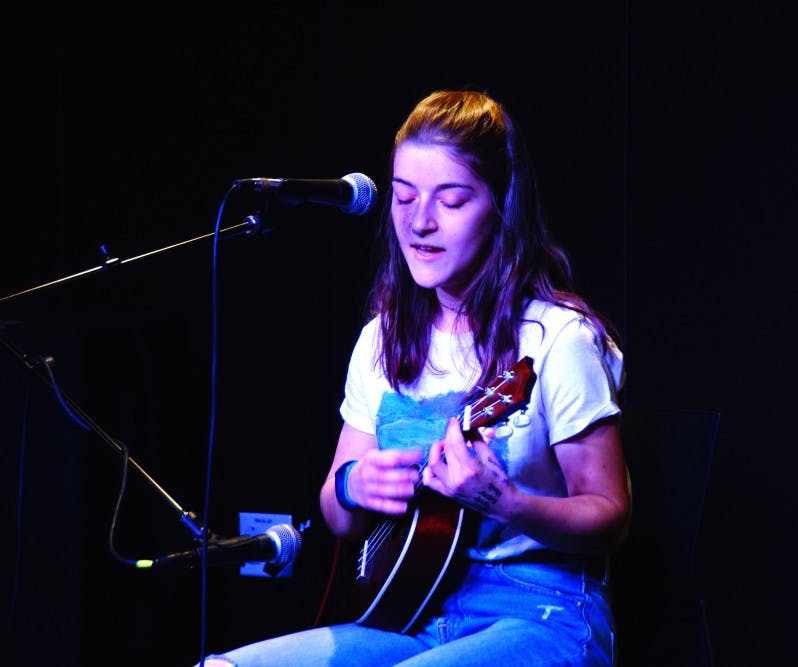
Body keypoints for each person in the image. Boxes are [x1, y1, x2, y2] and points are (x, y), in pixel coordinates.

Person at [199, 89, 629, 666]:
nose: (419, 222)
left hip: (542, 612)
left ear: (501, 206)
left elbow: (610, 516)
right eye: (404, 197)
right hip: (413, 613)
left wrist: (506, 502)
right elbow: (337, 513)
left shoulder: (558, 339)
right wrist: (353, 486)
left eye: (450, 200)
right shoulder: (380, 339)